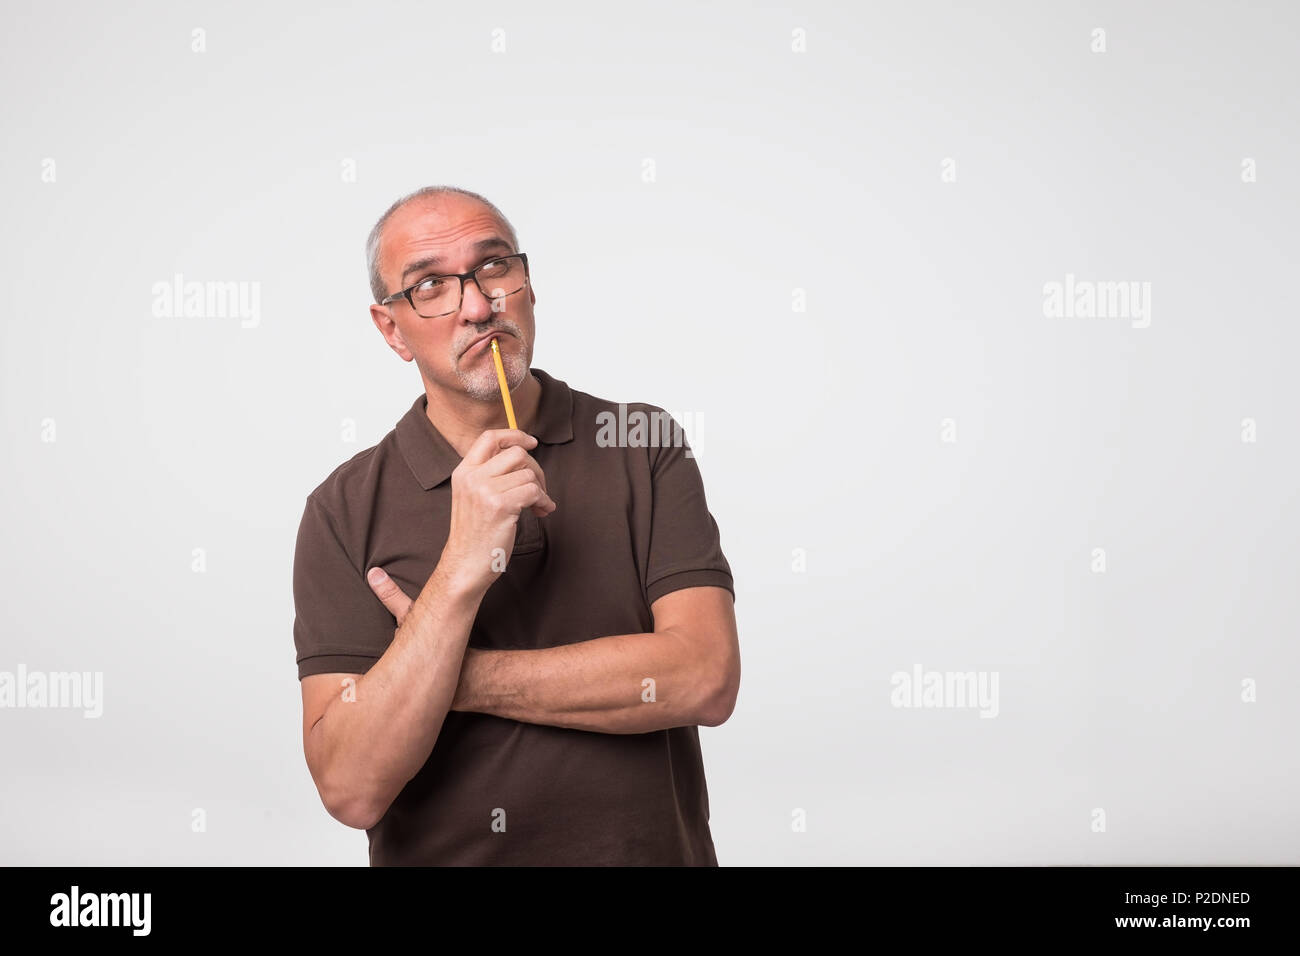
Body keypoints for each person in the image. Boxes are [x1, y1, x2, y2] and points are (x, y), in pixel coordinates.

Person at [291, 185, 741, 865]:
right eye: (432, 286)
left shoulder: (641, 442)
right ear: (392, 330)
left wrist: (451, 679)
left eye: (494, 267)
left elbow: (704, 677)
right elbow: (351, 787)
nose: (477, 306)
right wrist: (461, 567)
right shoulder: (342, 509)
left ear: (527, 283)